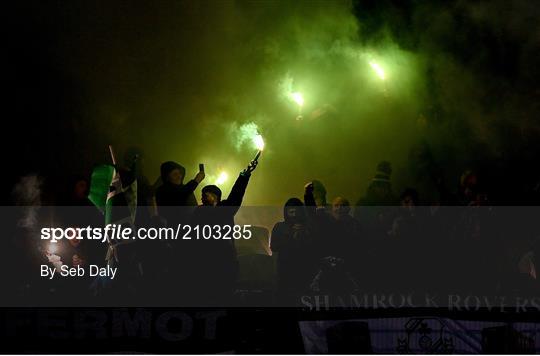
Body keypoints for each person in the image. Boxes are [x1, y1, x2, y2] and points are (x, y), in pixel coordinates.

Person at [185, 159, 259, 305]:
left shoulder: (225, 209)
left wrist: (244, 176)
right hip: (205, 262)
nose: (203, 197)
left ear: (216, 196)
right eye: (203, 194)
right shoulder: (198, 212)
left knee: (224, 295)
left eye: (207, 194)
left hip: (224, 260)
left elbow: (236, 195)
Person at [270, 198, 314, 304]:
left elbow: (313, 247)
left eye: (296, 212)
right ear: (286, 212)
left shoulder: (308, 227)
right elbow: (274, 246)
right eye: (291, 212)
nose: (294, 215)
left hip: (304, 271)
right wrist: (292, 237)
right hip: (285, 271)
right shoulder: (279, 227)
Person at [155, 161, 205, 225]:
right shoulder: (162, 191)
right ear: (167, 177)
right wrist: (196, 180)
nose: (179, 176)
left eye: (179, 173)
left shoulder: (183, 188)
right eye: (175, 174)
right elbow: (179, 196)